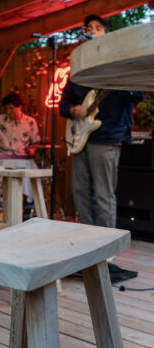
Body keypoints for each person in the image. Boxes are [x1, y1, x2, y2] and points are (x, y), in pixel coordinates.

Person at [59, 14, 145, 229]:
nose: (92, 31)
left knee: (103, 194)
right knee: (79, 191)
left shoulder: (118, 64)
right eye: (89, 27)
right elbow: (63, 104)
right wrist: (73, 110)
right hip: (80, 139)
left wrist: (122, 80)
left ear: (107, 34)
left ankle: (106, 245)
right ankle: (88, 239)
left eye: (98, 27)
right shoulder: (78, 69)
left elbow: (139, 94)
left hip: (108, 136)